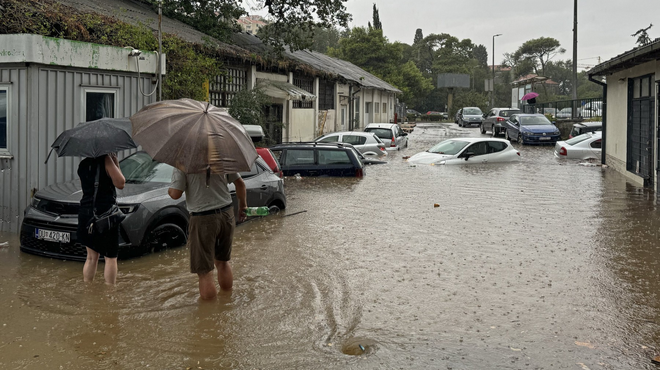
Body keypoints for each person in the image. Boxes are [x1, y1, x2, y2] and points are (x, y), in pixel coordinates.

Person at [168, 169, 247, 300]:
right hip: (226, 214)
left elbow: (175, 194)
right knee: (223, 262)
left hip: (202, 217)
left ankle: (210, 316)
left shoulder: (183, 163)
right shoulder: (221, 157)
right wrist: (242, 206)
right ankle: (227, 300)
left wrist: (170, 190)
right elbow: (240, 184)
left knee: (204, 271)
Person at [77, 153, 125, 284]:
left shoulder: (83, 164)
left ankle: (87, 288)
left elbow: (87, 189)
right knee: (110, 257)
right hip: (105, 215)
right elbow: (120, 183)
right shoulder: (106, 160)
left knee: (91, 257)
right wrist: (116, 164)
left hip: (86, 213)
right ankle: (109, 294)